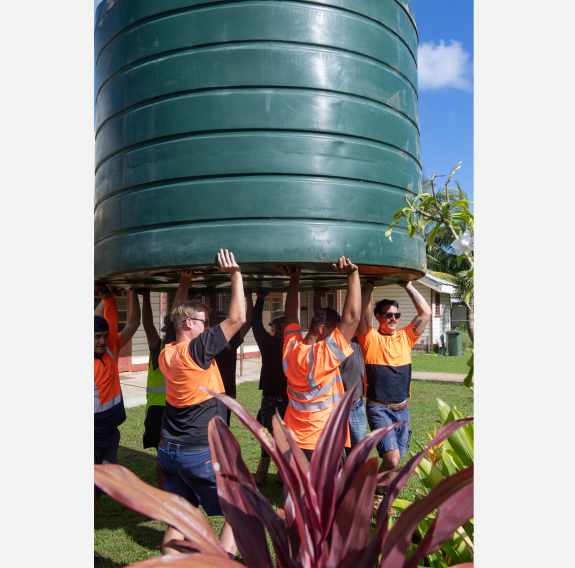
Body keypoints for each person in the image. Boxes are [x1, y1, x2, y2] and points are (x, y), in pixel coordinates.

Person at [157, 249, 245, 559]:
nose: (208, 328)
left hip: (169, 450)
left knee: (180, 518)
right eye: (204, 322)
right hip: (198, 452)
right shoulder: (195, 351)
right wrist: (235, 274)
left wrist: (184, 282)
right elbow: (238, 318)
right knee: (240, 509)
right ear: (190, 325)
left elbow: (174, 318)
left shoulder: (167, 350)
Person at [356, 279, 431, 516]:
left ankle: (378, 490)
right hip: (379, 408)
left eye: (396, 315)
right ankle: (379, 497)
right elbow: (360, 316)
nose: (394, 319)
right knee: (394, 458)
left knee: (395, 462)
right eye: (388, 315)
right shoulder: (369, 338)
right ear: (378, 317)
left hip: (403, 409)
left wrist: (407, 285)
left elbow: (426, 312)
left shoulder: (406, 337)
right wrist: (368, 286)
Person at [279, 257, 361, 461]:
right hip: (322, 441)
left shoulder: (291, 349)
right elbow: (352, 318)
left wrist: (294, 280)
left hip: (295, 440)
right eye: (336, 331)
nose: (340, 336)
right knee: (326, 494)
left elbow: (290, 317)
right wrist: (352, 273)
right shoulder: (321, 357)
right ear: (322, 330)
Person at [136, 271, 200, 491]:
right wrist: (144, 296)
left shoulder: (183, 348)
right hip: (159, 409)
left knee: (173, 454)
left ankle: (175, 489)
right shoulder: (160, 348)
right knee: (163, 457)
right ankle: (166, 491)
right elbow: (147, 325)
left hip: (173, 407)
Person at [94, 285, 141, 518]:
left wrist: (108, 297)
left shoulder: (110, 348)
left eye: (104, 336)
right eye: (96, 337)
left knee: (99, 487)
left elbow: (117, 323)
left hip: (110, 433)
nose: (103, 341)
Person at [313, 290, 366, 457]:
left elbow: (361, 315)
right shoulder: (330, 348)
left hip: (355, 408)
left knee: (356, 454)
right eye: (336, 326)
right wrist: (316, 293)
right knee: (334, 455)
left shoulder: (357, 340)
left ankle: (353, 483)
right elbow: (319, 317)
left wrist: (367, 290)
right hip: (333, 409)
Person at [252, 289, 289, 484]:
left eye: (284, 321)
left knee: (288, 439)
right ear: (272, 326)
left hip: (291, 400)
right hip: (270, 399)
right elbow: (255, 324)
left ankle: (283, 472)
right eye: (278, 322)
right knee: (267, 437)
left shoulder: (295, 344)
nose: (281, 324)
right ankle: (263, 469)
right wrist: (259, 300)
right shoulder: (266, 342)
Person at [207, 290, 253, 426]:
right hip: (210, 391)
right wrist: (212, 295)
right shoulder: (208, 340)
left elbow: (248, 322)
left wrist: (249, 298)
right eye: (219, 321)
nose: (222, 325)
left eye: (224, 321)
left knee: (224, 427)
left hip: (227, 390)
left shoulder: (233, 339)